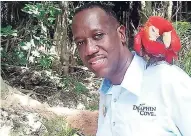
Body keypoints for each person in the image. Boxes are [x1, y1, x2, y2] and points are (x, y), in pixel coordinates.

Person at [71, 3, 191, 136]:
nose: (89, 50)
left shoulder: (169, 81)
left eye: (98, 35)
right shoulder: (108, 90)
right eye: (80, 42)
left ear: (121, 34)